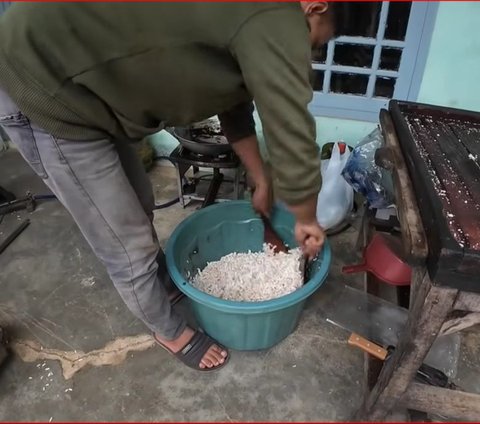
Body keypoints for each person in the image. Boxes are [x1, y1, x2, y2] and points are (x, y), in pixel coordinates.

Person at [0, 2, 353, 371]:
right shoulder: (276, 16)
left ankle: (156, 282)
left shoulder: (250, 20)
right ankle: (168, 331)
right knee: (125, 242)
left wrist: (261, 178)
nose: (308, 52)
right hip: (41, 84)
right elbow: (290, 126)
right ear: (316, 4)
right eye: (314, 39)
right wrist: (306, 216)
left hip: (86, 88)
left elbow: (236, 103)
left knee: (139, 203)